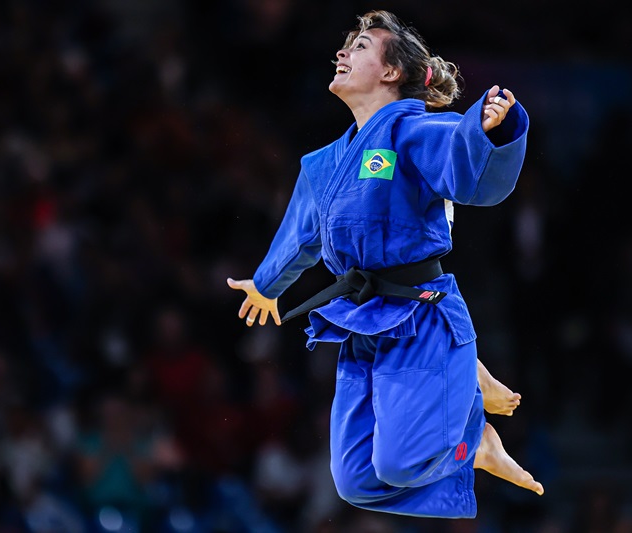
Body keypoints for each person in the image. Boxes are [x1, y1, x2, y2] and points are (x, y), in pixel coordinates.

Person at [227, 10, 543, 519]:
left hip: (421, 314)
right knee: (356, 481)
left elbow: (461, 160)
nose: (342, 52)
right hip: (361, 318)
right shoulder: (324, 164)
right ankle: (467, 402)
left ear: (391, 72)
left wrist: (487, 132)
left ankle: (471, 433)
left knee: (398, 466)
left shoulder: (412, 130)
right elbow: (302, 236)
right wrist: (267, 285)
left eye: (359, 45)